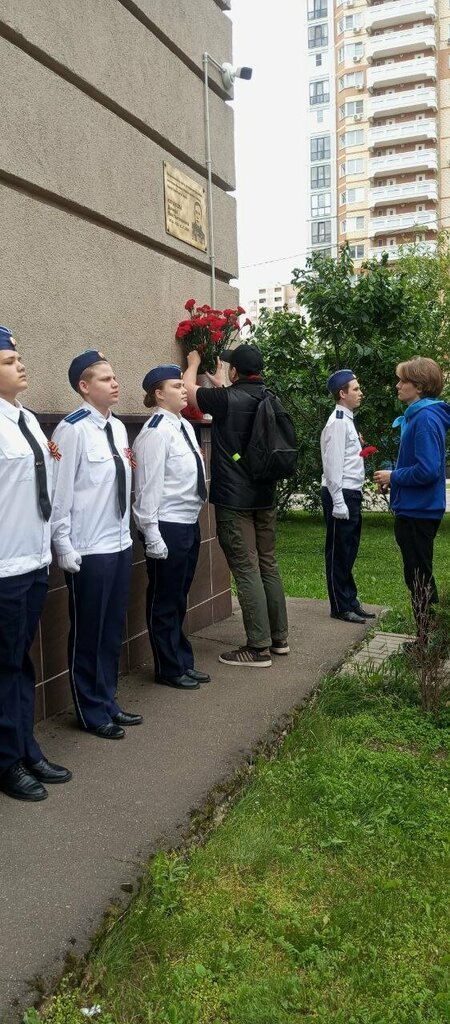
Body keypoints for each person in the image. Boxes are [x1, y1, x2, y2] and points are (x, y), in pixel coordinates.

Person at [51, 350, 142, 738]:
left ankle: (107, 698)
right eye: (105, 379)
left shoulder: (118, 428)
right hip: (87, 547)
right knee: (88, 630)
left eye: (114, 376)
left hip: (119, 542)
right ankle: (90, 710)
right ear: (84, 387)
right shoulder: (70, 430)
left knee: (109, 629)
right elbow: (60, 491)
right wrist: (63, 542)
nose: (115, 382)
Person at [184, 343, 289, 667]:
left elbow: (189, 391)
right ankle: (278, 639)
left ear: (234, 371)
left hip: (235, 500)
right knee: (267, 563)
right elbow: (236, 403)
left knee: (245, 568)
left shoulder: (226, 399)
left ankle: (257, 648)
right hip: (264, 497)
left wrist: (193, 363)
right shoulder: (269, 397)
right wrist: (221, 383)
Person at [0, 326, 72, 801]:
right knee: (4, 666)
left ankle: (26, 746)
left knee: (19, 663)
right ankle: (7, 762)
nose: (20, 365)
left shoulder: (24, 419)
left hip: (32, 558)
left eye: (19, 358)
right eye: (8, 361)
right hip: (4, 565)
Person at [132, 364, 210, 689]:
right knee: (164, 599)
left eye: (183, 384)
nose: (183, 389)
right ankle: (168, 667)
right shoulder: (154, 432)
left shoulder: (183, 426)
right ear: (159, 394)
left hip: (188, 523)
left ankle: (182, 660)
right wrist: (151, 534)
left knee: (179, 597)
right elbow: (147, 487)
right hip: (167, 526)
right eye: (177, 385)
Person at [374, 357, 450, 641]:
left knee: (419, 578)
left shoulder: (427, 418)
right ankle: (427, 637)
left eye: (403, 381)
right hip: (414, 507)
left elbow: (428, 470)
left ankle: (427, 642)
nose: (397, 385)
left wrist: (394, 477)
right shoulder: (419, 416)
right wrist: (394, 482)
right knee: (417, 575)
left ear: (418, 386)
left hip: (419, 511)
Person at [320, 368, 375, 624]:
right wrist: (338, 500)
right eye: (355, 389)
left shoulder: (347, 420)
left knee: (349, 550)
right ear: (342, 394)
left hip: (351, 492)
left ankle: (350, 600)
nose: (360, 392)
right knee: (338, 552)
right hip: (340, 494)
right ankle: (340, 605)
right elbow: (332, 465)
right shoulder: (339, 422)